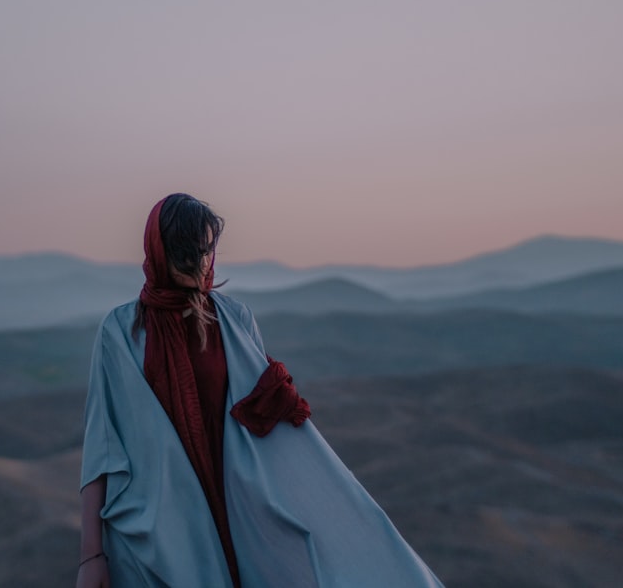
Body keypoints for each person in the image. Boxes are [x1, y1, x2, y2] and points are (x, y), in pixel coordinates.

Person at [77, 193, 444, 588]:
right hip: (151, 531)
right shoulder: (119, 332)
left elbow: (266, 422)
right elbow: (103, 447)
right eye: (187, 248)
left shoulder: (234, 319)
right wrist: (91, 556)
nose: (199, 260)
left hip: (238, 514)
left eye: (205, 248)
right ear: (160, 248)